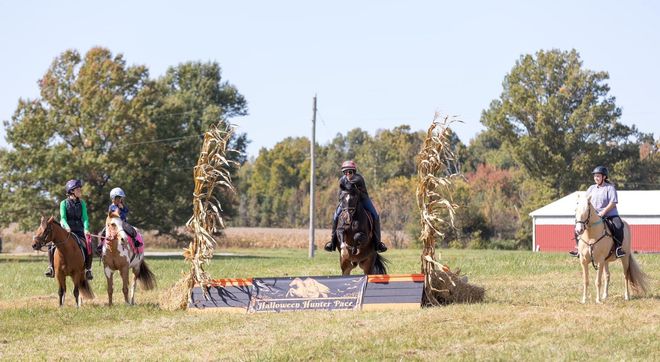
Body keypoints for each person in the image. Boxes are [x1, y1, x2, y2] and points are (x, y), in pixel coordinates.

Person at [324, 160, 387, 253]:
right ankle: (332, 242)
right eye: (346, 172)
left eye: (350, 172)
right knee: (335, 216)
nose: (348, 174)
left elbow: (353, 190)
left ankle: (378, 243)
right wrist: (342, 199)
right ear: (343, 172)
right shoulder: (342, 180)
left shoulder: (358, 179)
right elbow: (340, 193)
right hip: (347, 202)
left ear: (354, 172)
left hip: (362, 200)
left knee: (375, 215)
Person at [570, 166, 625, 258]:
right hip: (594, 215)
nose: (596, 178)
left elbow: (613, 203)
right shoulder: (591, 188)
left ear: (604, 177)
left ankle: (618, 248)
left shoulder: (610, 188)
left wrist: (603, 212)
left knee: (618, 226)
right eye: (595, 176)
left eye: (598, 176)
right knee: (579, 225)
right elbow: (585, 201)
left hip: (610, 215)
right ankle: (578, 249)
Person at [45, 179, 94, 279]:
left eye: (80, 189)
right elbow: (63, 218)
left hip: (79, 230)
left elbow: (85, 218)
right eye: (78, 189)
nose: (80, 190)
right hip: (67, 230)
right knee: (51, 245)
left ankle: (88, 269)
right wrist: (67, 227)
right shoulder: (63, 203)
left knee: (89, 244)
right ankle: (51, 267)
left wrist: (86, 229)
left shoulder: (82, 203)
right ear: (72, 191)